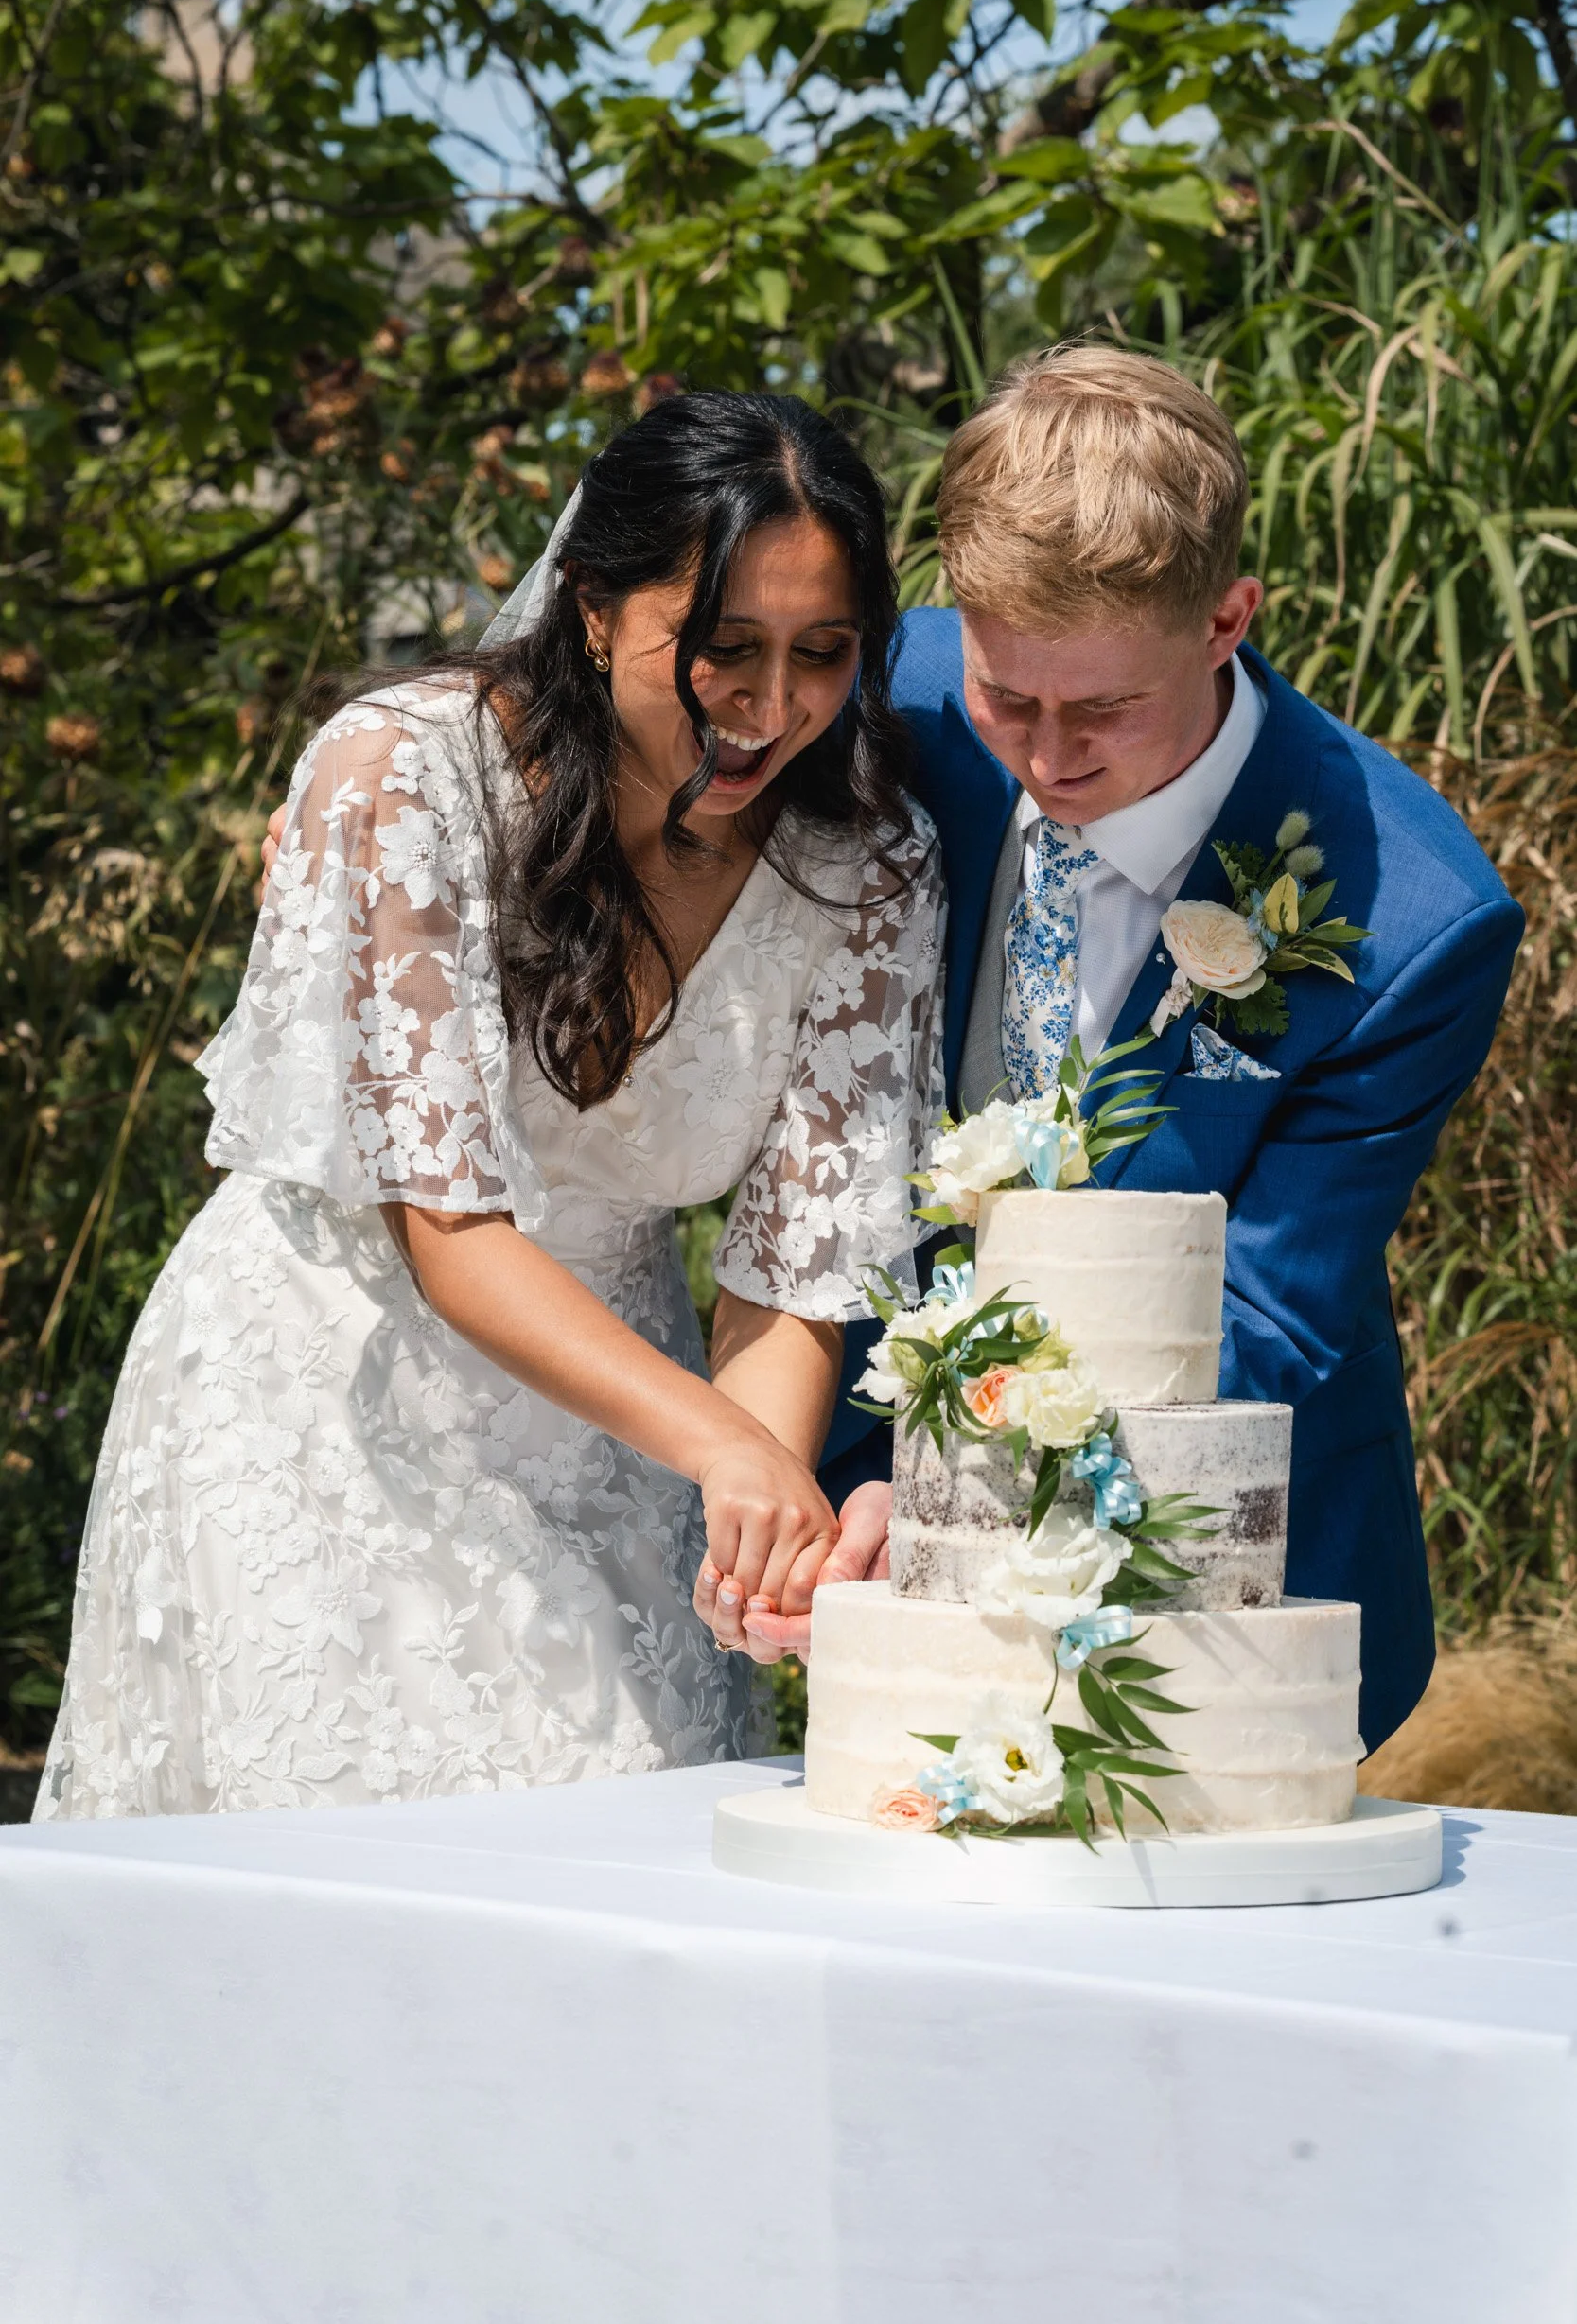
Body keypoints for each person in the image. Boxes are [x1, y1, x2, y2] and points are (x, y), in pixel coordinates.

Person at [37, 393, 943, 1818]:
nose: (773, 708)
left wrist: (752, 1513)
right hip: (327, 1396)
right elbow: (445, 1229)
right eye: (721, 652)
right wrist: (727, 1451)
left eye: (821, 655)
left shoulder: (867, 860)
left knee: (613, 1857)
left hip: (622, 1428)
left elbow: (797, 1266)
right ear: (591, 607)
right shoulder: (405, 770)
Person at [743, 345, 1521, 1757]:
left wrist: (949, 1489)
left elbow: (1264, 1320)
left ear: (1226, 619)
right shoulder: (898, 694)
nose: (1044, 756)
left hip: (1215, 1597)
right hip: (870, 1549)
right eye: (1009, 697)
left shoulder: (1412, 917)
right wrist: (854, 1475)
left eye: (1101, 710)